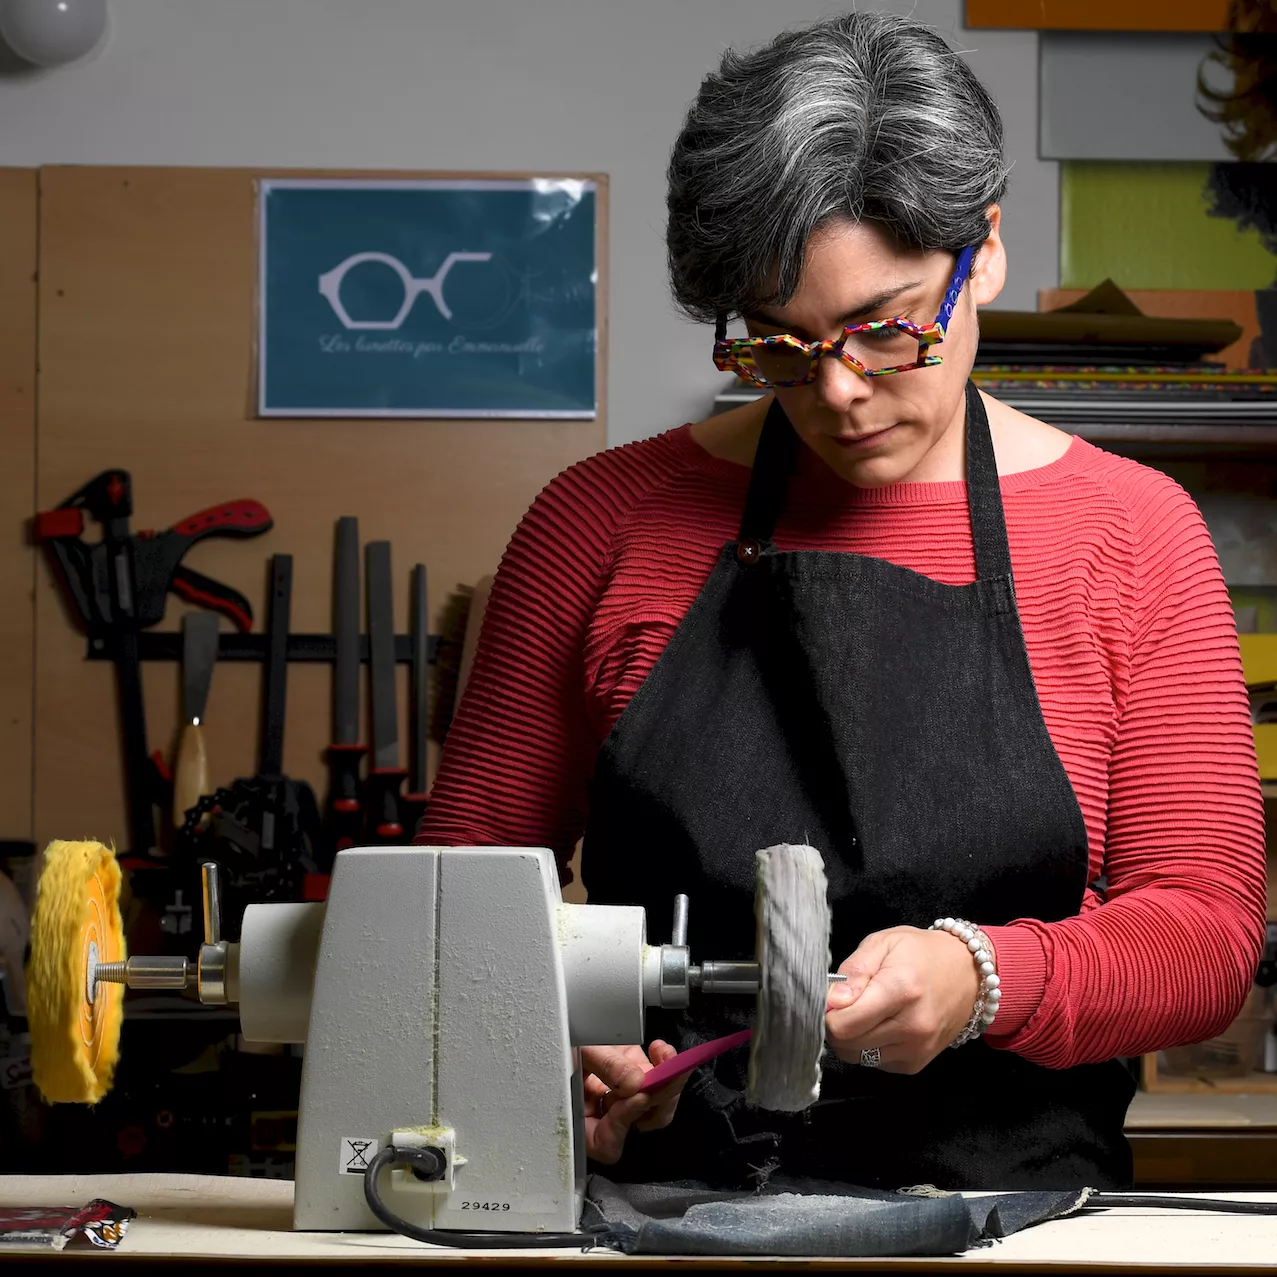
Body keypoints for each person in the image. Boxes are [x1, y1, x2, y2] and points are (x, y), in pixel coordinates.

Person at [418, 11, 1268, 1190]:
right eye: (776, 344)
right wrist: (553, 1039)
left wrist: (982, 976)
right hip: (666, 1214)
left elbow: (1205, 937)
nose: (837, 390)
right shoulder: (596, 523)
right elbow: (451, 905)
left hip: (1019, 1226)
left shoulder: (1130, 533)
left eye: (885, 327)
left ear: (986, 249)